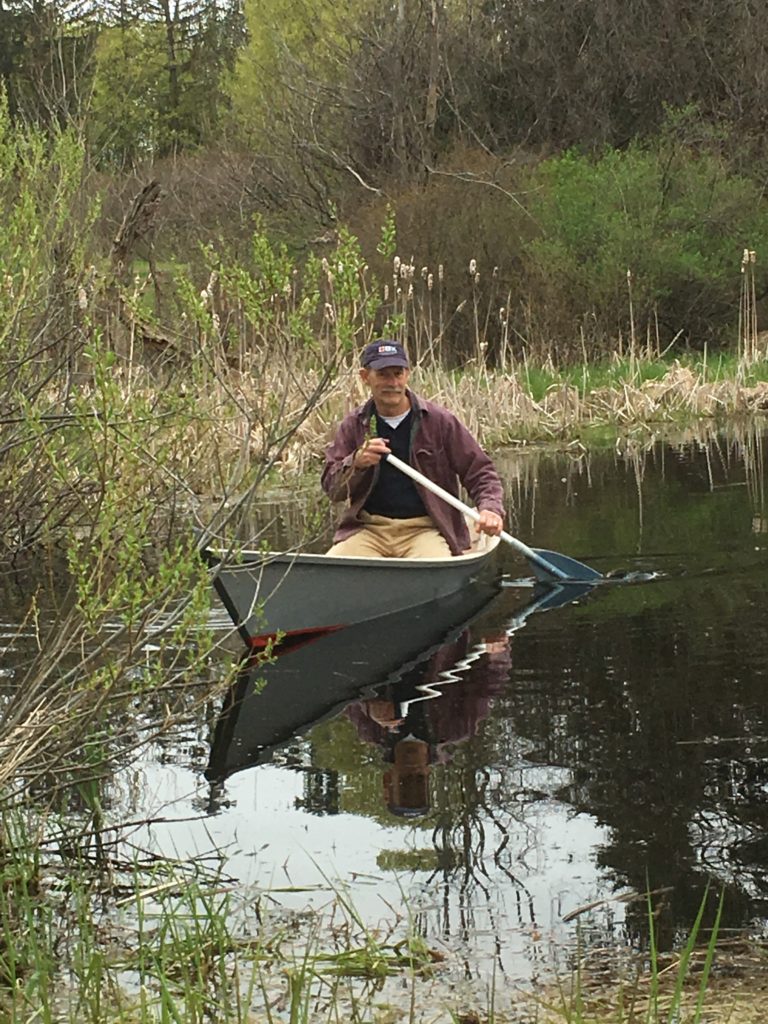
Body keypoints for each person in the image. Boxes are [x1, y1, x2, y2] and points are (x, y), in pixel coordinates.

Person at [322, 340, 505, 557]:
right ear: (365, 377)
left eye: (398, 373)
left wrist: (490, 509)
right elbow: (333, 490)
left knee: (435, 569)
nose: (393, 382)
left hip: (426, 529)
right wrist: (356, 463)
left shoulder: (440, 421)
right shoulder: (353, 425)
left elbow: (480, 471)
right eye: (383, 375)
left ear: (407, 374)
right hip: (369, 529)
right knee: (334, 565)